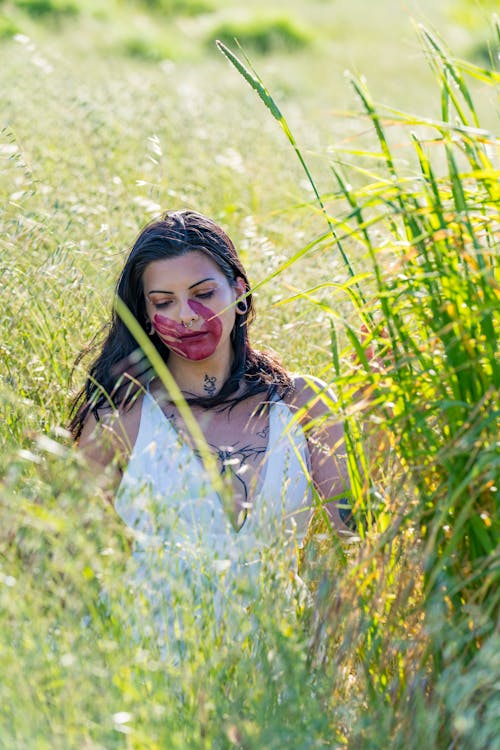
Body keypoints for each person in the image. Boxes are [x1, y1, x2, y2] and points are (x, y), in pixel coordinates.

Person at [70, 209, 352, 646]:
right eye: (163, 302)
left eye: (203, 292)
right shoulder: (120, 415)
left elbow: (353, 543)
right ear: (145, 314)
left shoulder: (304, 405)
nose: (187, 315)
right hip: (142, 669)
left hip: (282, 676)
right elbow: (72, 559)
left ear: (239, 291)